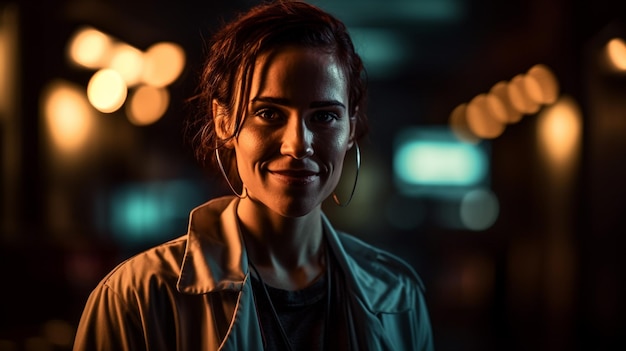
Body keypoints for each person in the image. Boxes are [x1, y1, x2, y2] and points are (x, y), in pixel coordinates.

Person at [73, 1, 434, 350]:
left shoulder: (399, 295)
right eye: (269, 113)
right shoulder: (137, 298)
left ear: (351, 128)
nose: (298, 145)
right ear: (223, 120)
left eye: (324, 116)